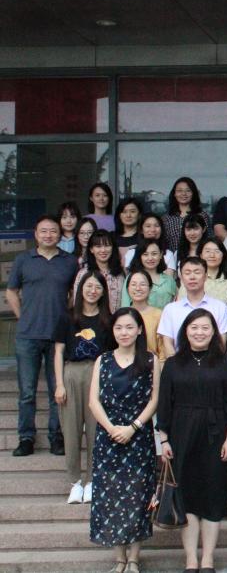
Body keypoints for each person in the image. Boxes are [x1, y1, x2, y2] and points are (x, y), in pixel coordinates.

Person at [157, 309, 227, 573]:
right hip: (181, 435)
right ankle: (191, 559)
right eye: (194, 327)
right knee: (187, 497)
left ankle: (208, 559)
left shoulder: (224, 363)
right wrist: (164, 440)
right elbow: (164, 404)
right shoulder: (173, 364)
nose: (200, 332)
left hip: (216, 436)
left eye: (205, 327)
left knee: (213, 496)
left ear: (214, 332)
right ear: (185, 331)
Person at [88, 307, 160, 573]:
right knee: (110, 496)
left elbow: (154, 399)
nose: (124, 332)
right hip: (108, 440)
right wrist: (111, 428)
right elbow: (93, 400)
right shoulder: (103, 360)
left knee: (138, 497)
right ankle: (119, 558)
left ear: (139, 329)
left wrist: (133, 427)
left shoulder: (151, 360)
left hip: (139, 438)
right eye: (119, 327)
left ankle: (134, 559)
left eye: (129, 327)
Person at [7, 215, 80, 457]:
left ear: (60, 234)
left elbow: (74, 294)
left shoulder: (69, 261)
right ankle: (26, 438)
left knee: (56, 391)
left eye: (53, 231)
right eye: (44, 231)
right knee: (27, 392)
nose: (48, 235)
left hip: (58, 337)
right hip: (27, 336)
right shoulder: (23, 259)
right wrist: (22, 317)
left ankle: (56, 437)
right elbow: (11, 292)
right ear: (36, 234)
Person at [54, 271, 110, 503]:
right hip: (72, 373)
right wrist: (59, 384)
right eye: (89, 286)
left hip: (98, 373)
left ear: (103, 292)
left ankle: (92, 481)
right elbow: (58, 352)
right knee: (71, 430)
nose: (92, 291)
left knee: (96, 430)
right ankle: (75, 482)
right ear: (81, 289)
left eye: (97, 287)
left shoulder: (108, 320)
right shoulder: (68, 317)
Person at [158, 257, 227, 354]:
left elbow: (221, 343)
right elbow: (167, 343)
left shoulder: (220, 307)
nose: (192, 277)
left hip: (211, 362)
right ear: (181, 277)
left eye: (197, 272)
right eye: (187, 273)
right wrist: (176, 363)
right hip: (178, 361)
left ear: (205, 276)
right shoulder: (170, 309)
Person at [74, 229, 124, 312]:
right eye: (98, 246)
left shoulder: (120, 274)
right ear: (91, 249)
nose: (103, 250)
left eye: (107, 245)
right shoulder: (83, 273)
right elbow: (77, 302)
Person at [124, 270, 168, 361]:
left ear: (150, 288)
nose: (138, 288)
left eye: (143, 284)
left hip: (151, 365)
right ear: (127, 289)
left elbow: (163, 350)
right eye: (133, 284)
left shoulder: (159, 315)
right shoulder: (122, 315)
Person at [162, 176, 212, 253]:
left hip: (197, 257)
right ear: (174, 194)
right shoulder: (167, 218)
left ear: (193, 193)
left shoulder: (202, 215)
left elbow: (209, 239)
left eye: (188, 190)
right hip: (173, 258)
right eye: (179, 190)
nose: (184, 194)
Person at [187, 238, 227, 304]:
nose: (212, 255)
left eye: (217, 251)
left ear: (223, 255)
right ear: (201, 255)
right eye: (207, 251)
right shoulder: (191, 279)